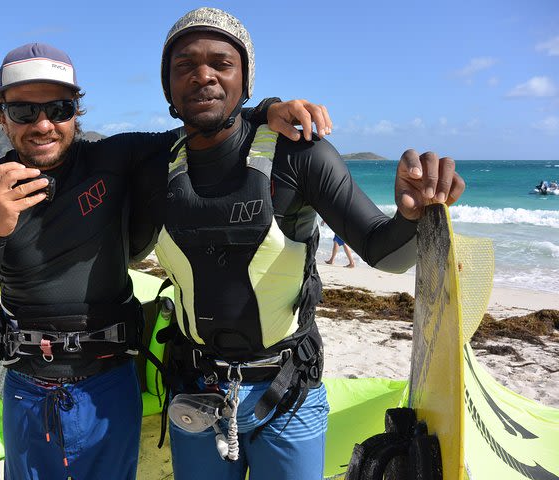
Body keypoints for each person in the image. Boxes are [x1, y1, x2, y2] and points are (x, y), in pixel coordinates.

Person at [0, 42, 332, 479]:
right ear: (1, 116)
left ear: (77, 111)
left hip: (109, 383)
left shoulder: (113, 160)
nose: (44, 125)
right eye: (24, 112)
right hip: (26, 386)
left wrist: (265, 110)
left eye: (60, 108)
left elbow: (203, 126)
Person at [151, 8, 466, 480]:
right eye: (184, 65)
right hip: (196, 389)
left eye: (222, 62)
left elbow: (385, 253)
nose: (203, 76)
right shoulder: (152, 163)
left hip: (288, 392)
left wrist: (412, 216)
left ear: (246, 78)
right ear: (167, 85)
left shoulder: (301, 155)